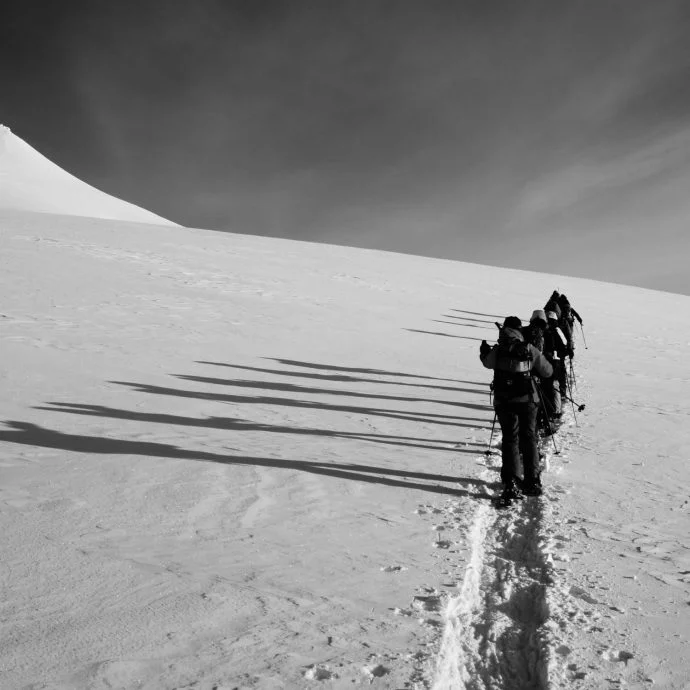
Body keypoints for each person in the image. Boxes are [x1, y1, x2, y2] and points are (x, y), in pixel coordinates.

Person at [480, 316, 553, 501]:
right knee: (528, 437)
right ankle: (533, 480)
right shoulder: (528, 347)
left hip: (504, 401)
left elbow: (487, 363)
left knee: (510, 439)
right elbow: (547, 371)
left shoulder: (499, 349)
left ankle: (511, 481)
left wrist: (484, 352)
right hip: (528, 399)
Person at [542, 311, 569, 424]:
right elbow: (565, 344)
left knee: (548, 386)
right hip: (555, 361)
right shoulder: (556, 329)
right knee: (555, 385)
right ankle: (556, 411)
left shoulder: (541, 330)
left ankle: (549, 410)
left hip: (544, 362)